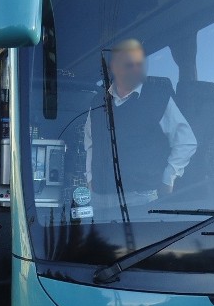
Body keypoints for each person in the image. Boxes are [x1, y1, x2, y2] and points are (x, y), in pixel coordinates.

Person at [84, 38, 197, 206]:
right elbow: (90, 143)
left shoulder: (158, 98)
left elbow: (186, 142)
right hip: (100, 198)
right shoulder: (97, 102)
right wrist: (90, 179)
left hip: (142, 198)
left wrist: (168, 180)